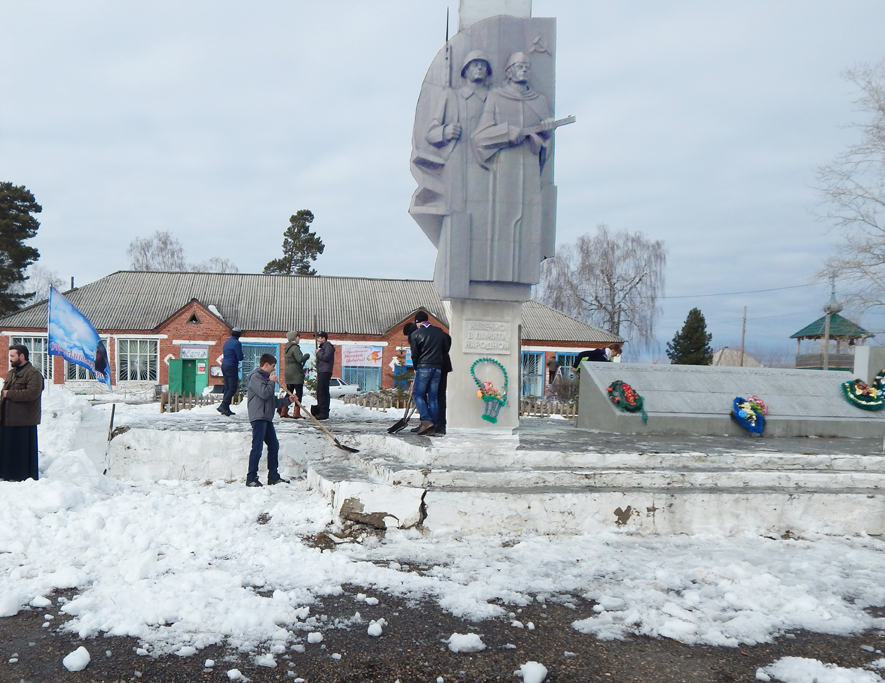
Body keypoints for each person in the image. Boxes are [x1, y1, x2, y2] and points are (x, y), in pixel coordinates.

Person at [473, 52, 555, 289]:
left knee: (528, 218)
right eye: (519, 66)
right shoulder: (496, 97)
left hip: (529, 164)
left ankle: (522, 271)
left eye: (527, 66)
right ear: (508, 71)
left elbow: (545, 142)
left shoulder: (539, 100)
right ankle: (495, 271)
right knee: (502, 218)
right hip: (505, 164)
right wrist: (510, 132)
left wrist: (546, 133)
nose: (524, 70)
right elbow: (480, 136)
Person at [419, 51, 494, 299]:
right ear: (465, 69)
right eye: (475, 64)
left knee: (487, 216)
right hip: (458, 163)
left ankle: (487, 267)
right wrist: (445, 131)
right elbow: (429, 133)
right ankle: (458, 272)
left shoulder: (495, 98)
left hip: (489, 165)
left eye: (483, 65)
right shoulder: (451, 96)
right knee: (458, 216)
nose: (479, 69)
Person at [246, 353, 297, 487]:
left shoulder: (265, 378)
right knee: (257, 447)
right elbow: (264, 393)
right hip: (258, 417)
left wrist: (288, 400)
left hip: (266, 417)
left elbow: (272, 401)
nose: (274, 369)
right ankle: (251, 478)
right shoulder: (256, 377)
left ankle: (273, 476)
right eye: (273, 366)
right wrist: (272, 382)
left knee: (274, 445)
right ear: (266, 364)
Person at [0, 344, 44, 481]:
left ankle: (21, 476)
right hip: (8, 419)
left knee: (21, 451)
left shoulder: (33, 374)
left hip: (24, 420)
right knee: (7, 449)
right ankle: (6, 474)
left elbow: (32, 393)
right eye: (10, 356)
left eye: (13, 356)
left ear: (22, 356)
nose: (10, 359)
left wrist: (10, 394)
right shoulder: (12, 373)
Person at [409, 311, 451, 436]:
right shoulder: (440, 332)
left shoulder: (416, 334)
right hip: (438, 368)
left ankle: (426, 420)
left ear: (417, 322)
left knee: (418, 395)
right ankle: (433, 425)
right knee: (433, 398)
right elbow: (446, 348)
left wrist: (416, 367)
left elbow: (415, 354)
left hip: (423, 367)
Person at [282, 331, 310, 419]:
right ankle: (296, 412)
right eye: (298, 337)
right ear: (294, 338)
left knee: (289, 392)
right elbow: (300, 359)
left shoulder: (287, 348)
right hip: (296, 373)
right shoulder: (295, 348)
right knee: (298, 393)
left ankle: (283, 410)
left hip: (288, 373)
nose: (299, 338)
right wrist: (306, 356)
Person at [218, 327, 243, 416]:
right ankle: (224, 405)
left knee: (227, 387)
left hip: (224, 365)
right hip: (231, 366)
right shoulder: (237, 343)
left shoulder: (227, 342)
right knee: (233, 387)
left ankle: (225, 409)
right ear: (239, 334)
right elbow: (240, 357)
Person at [312, 332, 334, 420]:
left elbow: (326, 357)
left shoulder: (328, 346)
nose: (317, 339)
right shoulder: (324, 347)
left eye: (319, 337)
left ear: (324, 338)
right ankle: (321, 410)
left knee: (322, 392)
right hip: (322, 371)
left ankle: (323, 412)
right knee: (321, 391)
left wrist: (318, 353)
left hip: (325, 371)